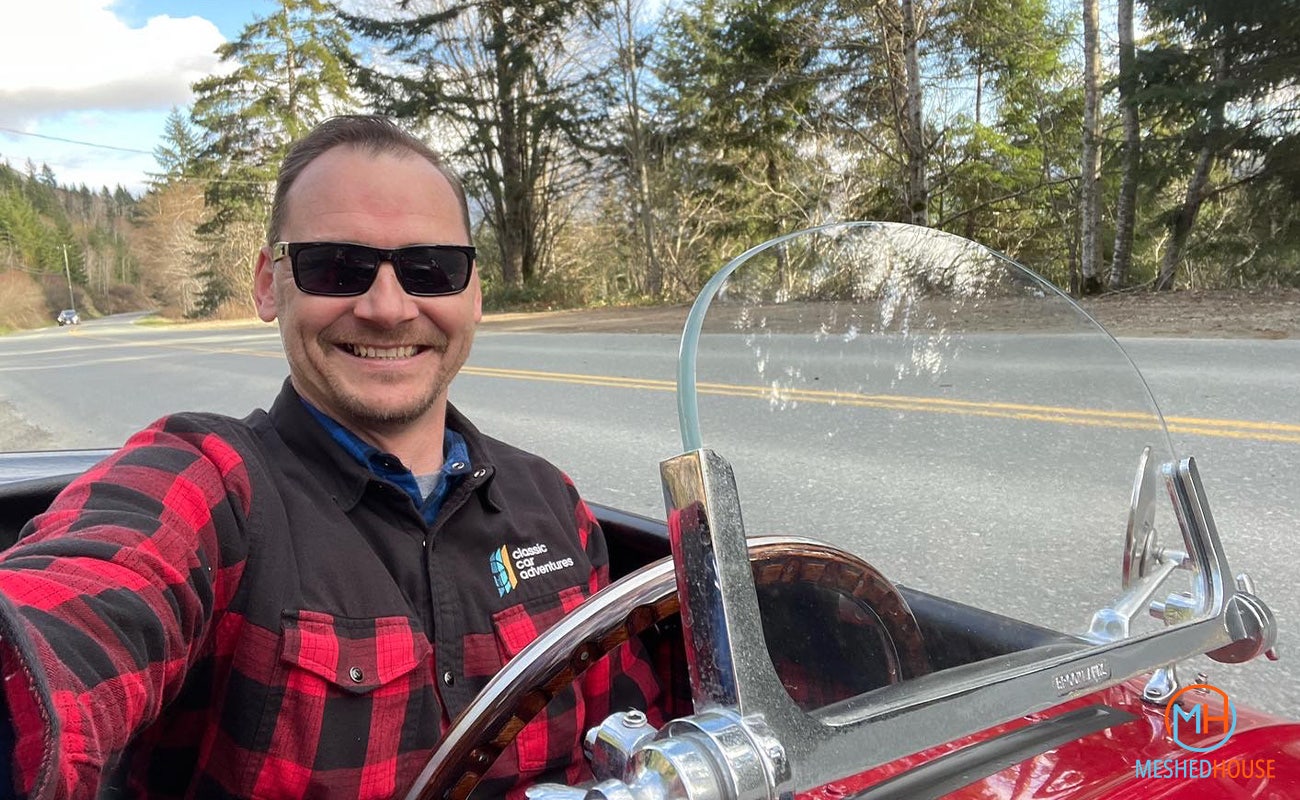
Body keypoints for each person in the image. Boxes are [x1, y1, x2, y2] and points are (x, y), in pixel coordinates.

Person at [0, 114, 662, 799]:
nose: (387, 307)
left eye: (430, 269)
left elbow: (639, 747)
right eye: (335, 266)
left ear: (473, 293)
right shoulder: (208, 487)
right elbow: (69, 623)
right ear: (268, 284)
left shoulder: (552, 503)